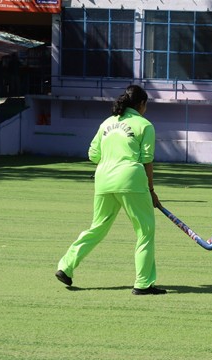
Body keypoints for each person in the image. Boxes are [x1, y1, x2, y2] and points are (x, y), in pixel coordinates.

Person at [56, 85, 165, 295]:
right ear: (141, 104)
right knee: (145, 231)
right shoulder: (145, 125)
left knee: (98, 227)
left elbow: (93, 155)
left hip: (104, 180)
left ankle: (66, 266)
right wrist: (151, 190)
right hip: (131, 180)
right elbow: (147, 161)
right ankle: (143, 284)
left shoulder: (106, 123)